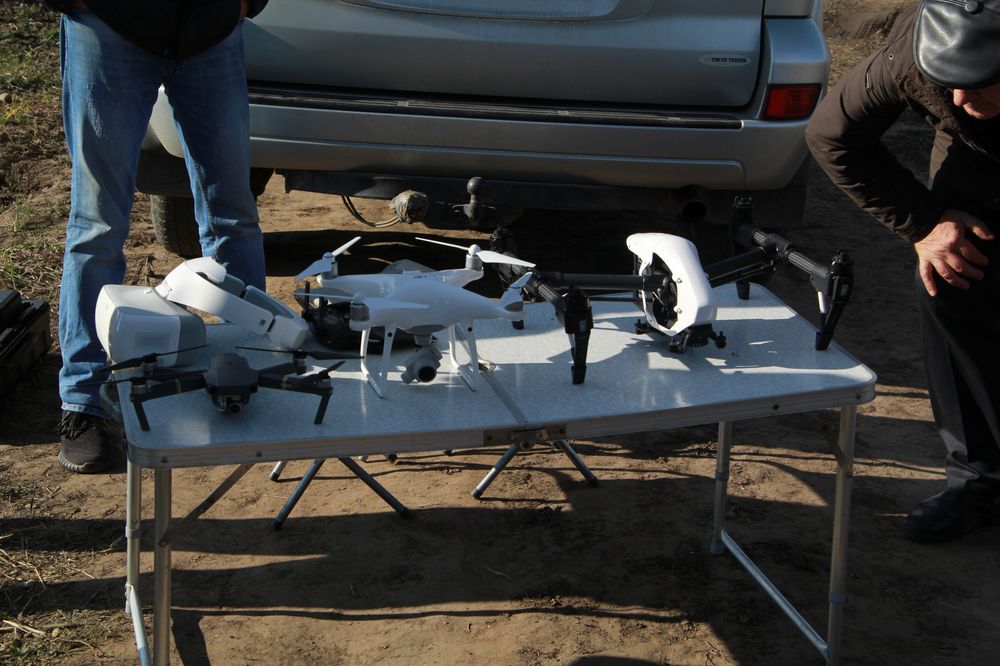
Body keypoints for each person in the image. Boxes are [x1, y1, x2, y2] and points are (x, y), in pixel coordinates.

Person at [45, 0, 269, 473]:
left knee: (233, 219)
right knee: (98, 224)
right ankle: (84, 401)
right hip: (108, 26)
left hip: (211, 29)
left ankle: (249, 372)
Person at [806, 0, 1000, 542]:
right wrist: (926, 224)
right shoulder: (917, 52)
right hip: (979, 164)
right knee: (953, 279)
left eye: (979, 80)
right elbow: (833, 134)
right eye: (950, 82)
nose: (959, 98)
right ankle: (980, 482)